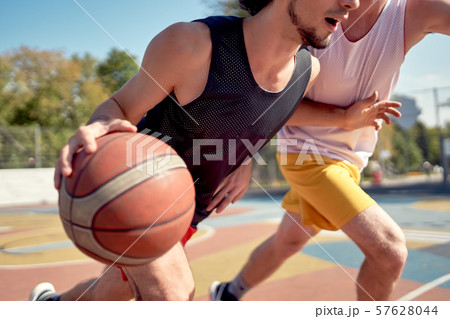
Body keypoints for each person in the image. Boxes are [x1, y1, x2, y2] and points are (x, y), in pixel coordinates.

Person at [29, 0, 362, 301]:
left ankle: (51, 306)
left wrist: (242, 159)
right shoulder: (192, 45)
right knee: (175, 295)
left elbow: (261, 111)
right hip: (141, 187)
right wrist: (101, 123)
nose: (353, 3)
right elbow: (120, 105)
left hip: (193, 206)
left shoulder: (307, 71)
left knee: (117, 289)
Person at [209, 0, 450, 301]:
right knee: (389, 251)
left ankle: (228, 293)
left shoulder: (413, 13)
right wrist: (344, 119)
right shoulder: (308, 13)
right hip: (305, 155)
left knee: (288, 241)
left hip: (349, 161)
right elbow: (269, 100)